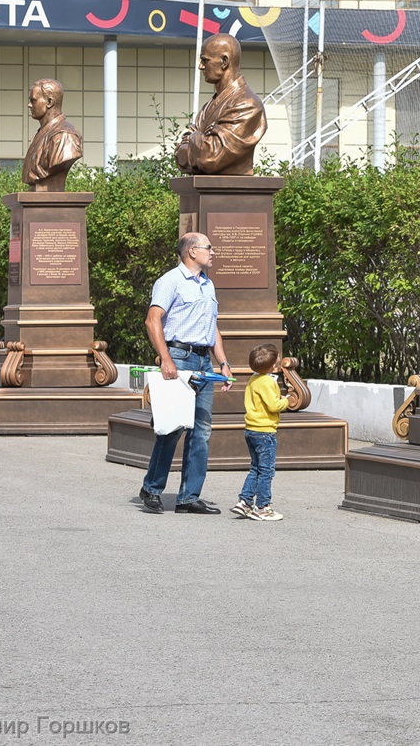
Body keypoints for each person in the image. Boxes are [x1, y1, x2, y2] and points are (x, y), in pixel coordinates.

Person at [139, 232, 233, 514]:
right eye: (208, 247)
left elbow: (211, 327)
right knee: (172, 427)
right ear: (192, 251)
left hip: (204, 361)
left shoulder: (208, 285)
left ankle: (189, 497)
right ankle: (152, 489)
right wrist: (166, 359)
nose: (213, 252)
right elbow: (152, 319)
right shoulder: (170, 281)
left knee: (201, 431)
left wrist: (223, 363)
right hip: (179, 358)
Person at [175, 34, 267, 175]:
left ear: (224, 61)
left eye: (205, 61)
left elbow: (210, 157)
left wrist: (193, 137)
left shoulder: (247, 104)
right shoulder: (208, 107)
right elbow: (180, 155)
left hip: (231, 191)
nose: (201, 66)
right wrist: (201, 141)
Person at [234, 343, 288, 522]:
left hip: (251, 430)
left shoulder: (254, 379)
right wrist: (286, 401)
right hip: (265, 432)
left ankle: (245, 501)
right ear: (273, 367)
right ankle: (263, 507)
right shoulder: (268, 382)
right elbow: (273, 406)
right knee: (266, 471)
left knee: (255, 468)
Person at [21, 78, 84, 191]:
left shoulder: (65, 135)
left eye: (33, 100)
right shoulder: (41, 133)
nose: (29, 105)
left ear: (49, 102)